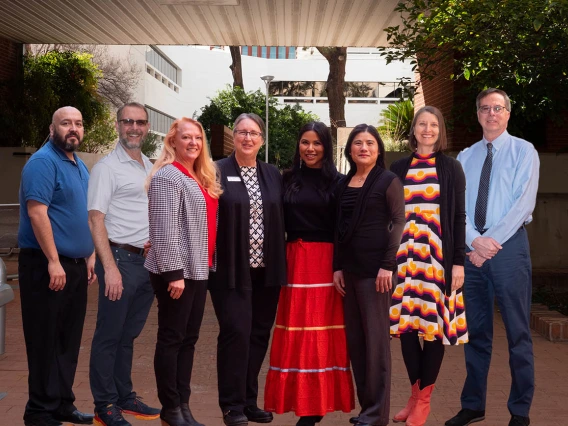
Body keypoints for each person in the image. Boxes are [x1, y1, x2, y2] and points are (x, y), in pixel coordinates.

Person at [445, 88, 539, 426]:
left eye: (497, 108)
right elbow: (458, 208)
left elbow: (523, 205)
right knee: (477, 333)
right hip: (472, 253)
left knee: (517, 333)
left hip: (509, 249)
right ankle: (473, 405)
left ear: (508, 113)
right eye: (485, 108)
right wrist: (474, 241)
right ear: (478, 114)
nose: (491, 114)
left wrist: (491, 242)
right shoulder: (465, 157)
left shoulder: (524, 152)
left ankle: (520, 410)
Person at [263, 122, 354, 426]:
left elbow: (345, 228)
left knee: (320, 334)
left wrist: (343, 265)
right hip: (292, 262)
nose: (310, 148)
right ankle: (295, 401)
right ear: (298, 145)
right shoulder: (285, 179)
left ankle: (314, 409)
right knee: (295, 334)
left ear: (326, 147)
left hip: (326, 263)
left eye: (317, 143)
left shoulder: (340, 182)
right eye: (305, 142)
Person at [389, 106, 468, 426]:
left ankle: (424, 401)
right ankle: (414, 395)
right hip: (405, 259)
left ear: (440, 130)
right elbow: (389, 216)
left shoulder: (452, 168)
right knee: (407, 329)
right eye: (422, 123)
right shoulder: (397, 167)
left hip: (438, 260)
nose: (427, 129)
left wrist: (459, 263)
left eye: (433, 124)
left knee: (433, 331)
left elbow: (458, 218)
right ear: (414, 129)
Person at [18, 106, 96, 426]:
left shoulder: (78, 165)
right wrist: (53, 261)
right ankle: (39, 410)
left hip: (75, 267)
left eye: (78, 123)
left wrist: (90, 255)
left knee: (67, 339)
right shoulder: (42, 162)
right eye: (66, 123)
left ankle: (63, 403)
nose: (73, 128)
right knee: (44, 339)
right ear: (53, 129)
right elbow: (38, 213)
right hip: (46, 265)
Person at [209, 113, 286, 426]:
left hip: (266, 273)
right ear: (234, 137)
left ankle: (248, 400)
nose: (248, 138)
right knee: (235, 334)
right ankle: (231, 405)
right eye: (242, 132)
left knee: (257, 335)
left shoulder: (272, 173)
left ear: (262, 140)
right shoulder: (216, 170)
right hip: (230, 271)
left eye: (254, 133)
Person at [144, 117, 222, 426]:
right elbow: (164, 230)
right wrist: (173, 273)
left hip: (198, 269)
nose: (193, 143)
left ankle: (183, 406)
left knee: (189, 340)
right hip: (178, 272)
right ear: (173, 141)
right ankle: (170, 408)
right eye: (186, 137)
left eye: (198, 138)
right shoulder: (168, 176)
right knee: (172, 338)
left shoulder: (200, 176)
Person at [87, 102, 160, 426]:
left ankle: (124, 396)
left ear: (147, 126)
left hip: (145, 263)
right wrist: (109, 267)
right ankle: (104, 405)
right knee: (109, 335)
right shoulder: (106, 167)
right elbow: (95, 218)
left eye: (140, 122)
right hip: (119, 260)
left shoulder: (148, 165)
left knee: (128, 335)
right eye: (128, 121)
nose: (134, 127)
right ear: (118, 125)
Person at [333, 124, 405, 426]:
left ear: (378, 149)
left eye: (370, 143)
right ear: (350, 149)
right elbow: (337, 228)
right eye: (358, 143)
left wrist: (387, 265)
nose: (364, 148)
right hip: (349, 272)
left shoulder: (388, 181)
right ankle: (366, 409)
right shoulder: (345, 182)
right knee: (358, 344)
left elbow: (399, 222)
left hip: (377, 275)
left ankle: (377, 414)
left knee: (376, 345)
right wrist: (337, 266)